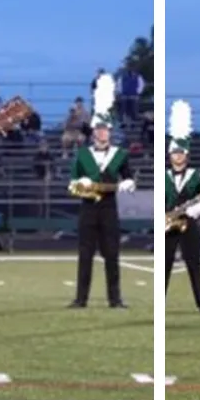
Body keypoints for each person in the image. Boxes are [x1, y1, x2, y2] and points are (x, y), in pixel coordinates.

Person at [68, 73, 135, 309]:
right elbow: (72, 184)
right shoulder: (83, 155)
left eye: (105, 129)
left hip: (109, 208)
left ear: (110, 131)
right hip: (87, 208)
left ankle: (115, 299)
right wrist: (82, 187)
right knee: (84, 256)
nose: (102, 133)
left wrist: (129, 184)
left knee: (112, 254)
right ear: (93, 131)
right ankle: (80, 298)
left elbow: (128, 178)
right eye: (98, 129)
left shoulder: (120, 154)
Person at [165, 100, 200, 313]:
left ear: (186, 155)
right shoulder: (163, 177)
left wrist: (194, 210)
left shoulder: (195, 176)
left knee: (194, 265)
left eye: (181, 153)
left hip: (188, 224)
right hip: (168, 225)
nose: (178, 156)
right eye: (175, 153)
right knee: (164, 266)